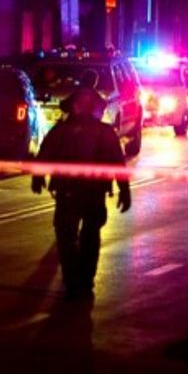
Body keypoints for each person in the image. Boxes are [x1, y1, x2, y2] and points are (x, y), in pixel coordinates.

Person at [31, 87, 131, 300]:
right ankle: (82, 279)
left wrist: (38, 177)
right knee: (85, 236)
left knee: (70, 237)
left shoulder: (64, 130)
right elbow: (117, 162)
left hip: (73, 192)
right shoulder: (99, 131)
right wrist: (124, 190)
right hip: (87, 192)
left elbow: (45, 153)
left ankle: (76, 280)